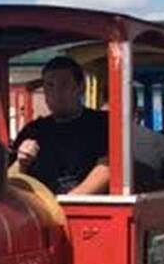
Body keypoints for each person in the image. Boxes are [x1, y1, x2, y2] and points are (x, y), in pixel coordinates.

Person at [12, 57, 110, 195]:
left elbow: (108, 167)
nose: (56, 93)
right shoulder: (32, 130)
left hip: (87, 211)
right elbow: (9, 182)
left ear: (81, 87)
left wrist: (68, 203)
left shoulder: (102, 123)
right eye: (50, 85)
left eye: (64, 84)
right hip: (41, 211)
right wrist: (21, 163)